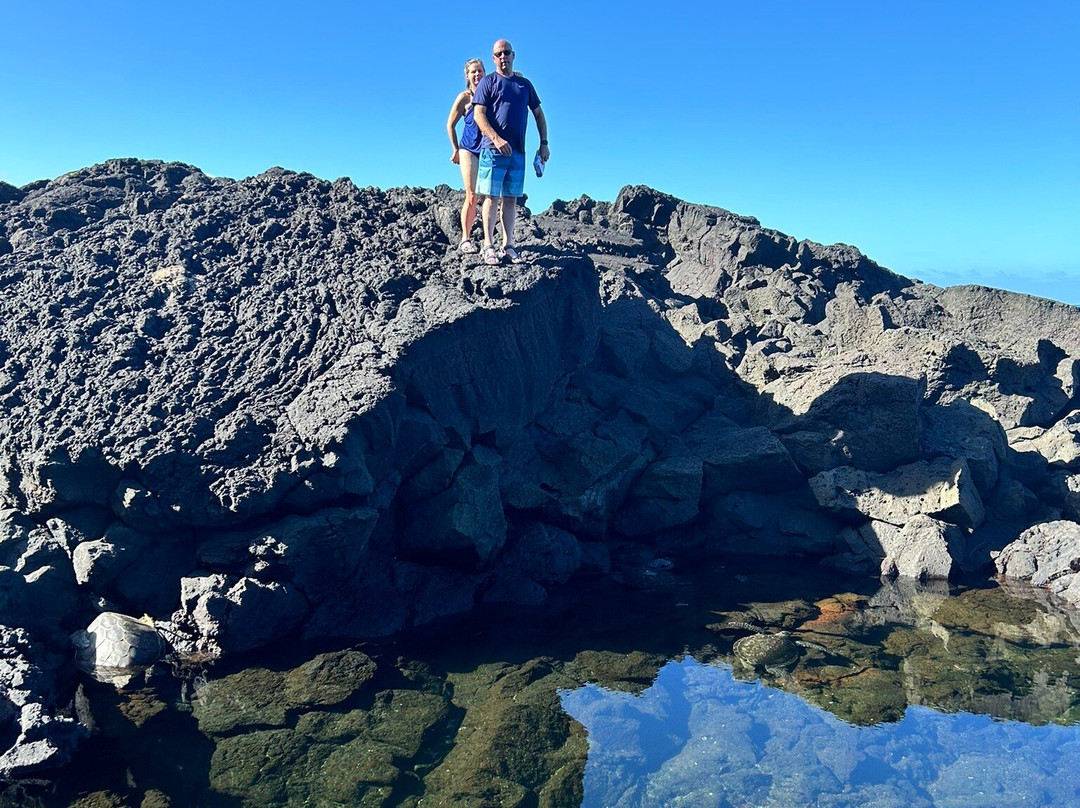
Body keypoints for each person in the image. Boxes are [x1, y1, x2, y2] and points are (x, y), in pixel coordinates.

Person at [472, 39, 549, 266]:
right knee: (491, 197)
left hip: (518, 151)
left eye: (506, 52)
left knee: (511, 199)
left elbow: (538, 114)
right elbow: (478, 115)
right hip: (492, 150)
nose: (503, 57)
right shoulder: (488, 82)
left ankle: (508, 245)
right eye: (498, 54)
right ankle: (488, 245)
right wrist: (496, 139)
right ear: (493, 58)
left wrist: (544, 143)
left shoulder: (524, 85)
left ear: (513, 55)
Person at [446, 58, 487, 254]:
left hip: (487, 149)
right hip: (468, 149)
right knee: (472, 195)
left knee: (489, 197)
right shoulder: (464, 97)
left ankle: (488, 241)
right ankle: (465, 239)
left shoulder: (490, 94)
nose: (477, 74)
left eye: (480, 71)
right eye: (473, 72)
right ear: (467, 75)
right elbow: (450, 125)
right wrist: (455, 149)